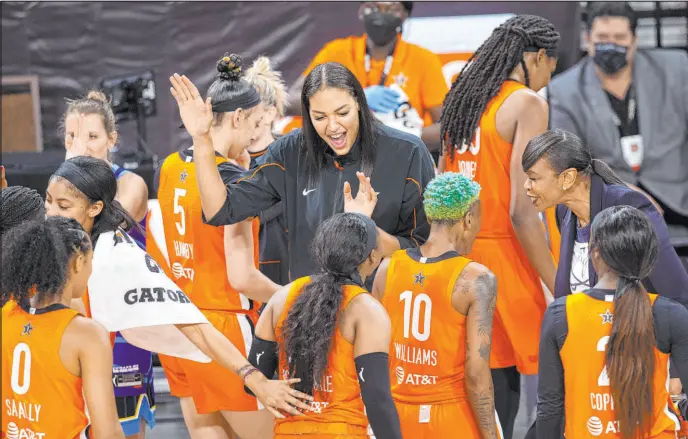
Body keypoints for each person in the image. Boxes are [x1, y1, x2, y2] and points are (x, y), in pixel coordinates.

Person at [44, 155, 313, 419]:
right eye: (48, 201)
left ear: (95, 208)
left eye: (64, 206)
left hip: (77, 401)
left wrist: (254, 379)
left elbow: (194, 325)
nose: (51, 213)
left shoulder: (119, 259)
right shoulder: (48, 242)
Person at [170, 60, 435, 282]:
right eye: (319, 117)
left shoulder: (407, 152)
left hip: (381, 318)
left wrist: (366, 230)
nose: (332, 127)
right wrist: (202, 138)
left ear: (358, 102)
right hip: (311, 320)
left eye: (342, 113)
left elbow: (424, 249)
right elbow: (221, 210)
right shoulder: (290, 152)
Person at [438, 14, 560, 436]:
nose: (547, 79)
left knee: (470, 386)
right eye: (550, 67)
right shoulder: (526, 103)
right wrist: (557, 283)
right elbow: (522, 210)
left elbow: (441, 183)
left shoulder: (464, 96)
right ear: (537, 56)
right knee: (517, 395)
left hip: (454, 254)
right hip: (506, 258)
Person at [155, 53, 283, 439]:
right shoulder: (234, 183)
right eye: (255, 124)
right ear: (238, 118)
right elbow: (241, 276)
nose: (255, 135)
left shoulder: (170, 166)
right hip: (225, 327)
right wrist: (297, 297)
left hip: (180, 325)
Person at [535, 205, 688, 439]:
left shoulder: (561, 313)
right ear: (647, 256)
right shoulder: (669, 313)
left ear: (595, 252)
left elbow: (549, 408)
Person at [247, 212, 402, 439]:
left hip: (288, 432)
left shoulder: (283, 297)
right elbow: (377, 399)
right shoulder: (366, 309)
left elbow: (255, 379)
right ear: (372, 257)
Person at [373, 172, 502, 439]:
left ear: (430, 216)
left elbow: (372, 354)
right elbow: (476, 373)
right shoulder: (476, 278)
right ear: (468, 218)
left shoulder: (388, 268)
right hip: (452, 418)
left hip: (395, 418)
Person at [61, 90, 154, 439]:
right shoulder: (61, 190)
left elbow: (103, 232)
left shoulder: (131, 184)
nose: (81, 146)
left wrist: (74, 183)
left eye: (92, 137)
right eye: (72, 137)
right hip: (73, 326)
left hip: (123, 331)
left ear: (112, 139)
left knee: (123, 430)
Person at [547, 2, 688, 233]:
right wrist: (620, 189)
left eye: (619, 37)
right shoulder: (563, 90)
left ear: (634, 40)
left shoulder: (677, 69)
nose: (611, 44)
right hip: (612, 214)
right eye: (602, 37)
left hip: (678, 202)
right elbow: (568, 160)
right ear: (588, 39)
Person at [1, 217, 125, 439]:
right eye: (90, 260)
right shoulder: (86, 334)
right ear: (78, 262)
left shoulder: (5, 314)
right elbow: (108, 431)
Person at [284, 2, 448, 161]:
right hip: (339, 159)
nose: (381, 14)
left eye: (391, 8)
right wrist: (352, 98)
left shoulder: (423, 59)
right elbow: (289, 101)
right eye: (374, 7)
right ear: (362, 10)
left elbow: (446, 126)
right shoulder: (337, 52)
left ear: (405, 14)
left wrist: (403, 135)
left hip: (398, 158)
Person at [245, 56, 290, 285]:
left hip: (284, 272)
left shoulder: (291, 155)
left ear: (270, 113)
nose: (243, 116)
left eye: (252, 109)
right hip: (238, 277)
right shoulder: (225, 158)